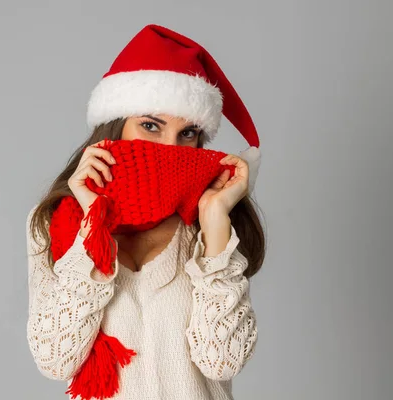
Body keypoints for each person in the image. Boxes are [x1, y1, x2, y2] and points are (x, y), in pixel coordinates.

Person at [26, 24, 265, 400]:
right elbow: (55, 358)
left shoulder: (208, 223)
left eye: (187, 133)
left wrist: (216, 220)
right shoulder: (55, 222)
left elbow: (222, 360)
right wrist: (93, 223)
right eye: (151, 126)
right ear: (116, 125)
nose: (170, 147)